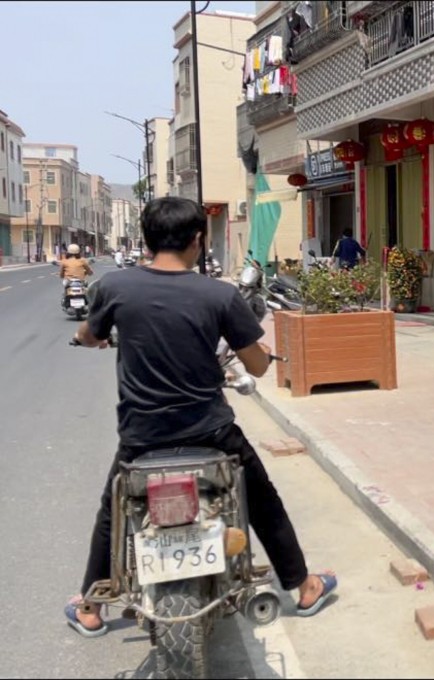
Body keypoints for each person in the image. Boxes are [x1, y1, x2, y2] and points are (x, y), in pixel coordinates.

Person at [65, 196, 336, 637]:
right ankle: (303, 587)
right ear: (197, 240)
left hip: (142, 436)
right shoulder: (220, 295)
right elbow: (255, 365)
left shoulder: (116, 288)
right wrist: (263, 356)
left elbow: (89, 336)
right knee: (263, 503)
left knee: (112, 511)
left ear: (148, 240)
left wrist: (87, 337)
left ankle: (91, 609)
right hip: (211, 434)